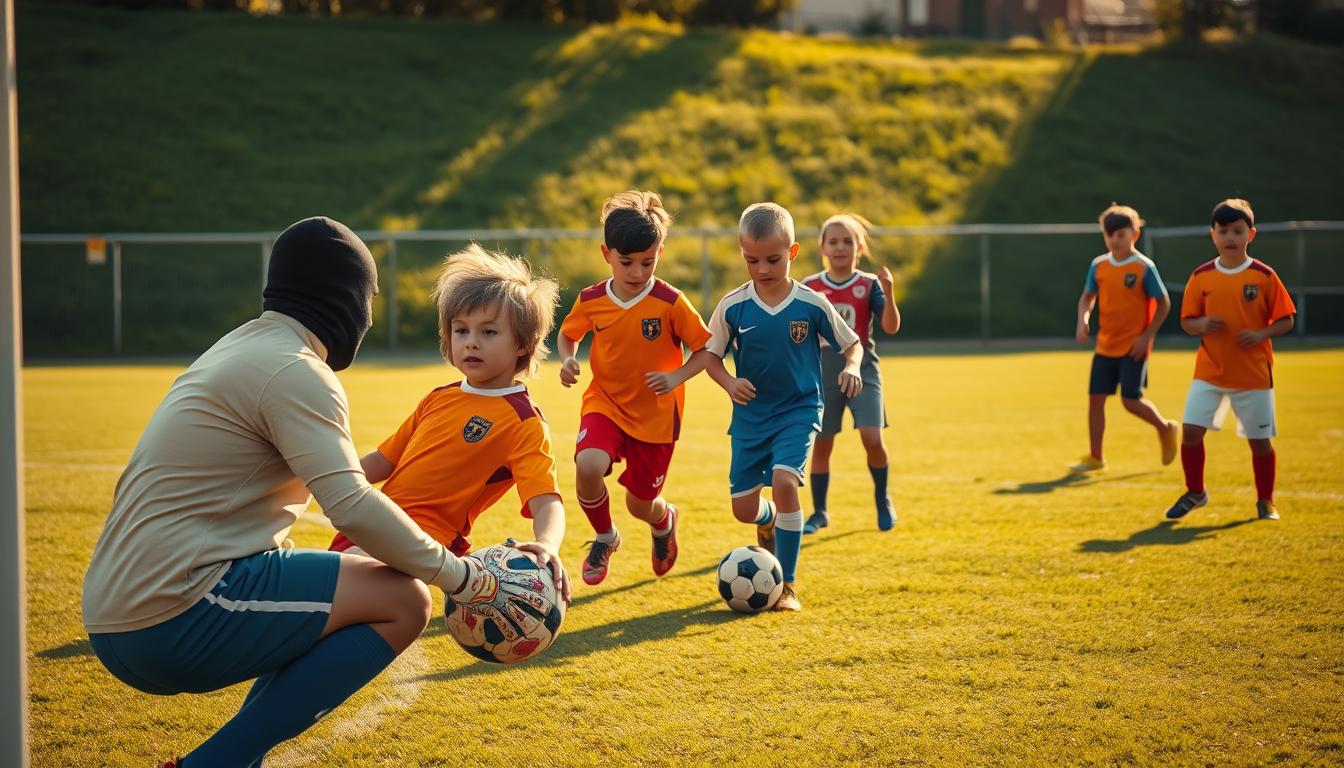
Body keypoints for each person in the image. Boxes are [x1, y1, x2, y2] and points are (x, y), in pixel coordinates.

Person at [80, 217, 556, 768]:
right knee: (404, 601)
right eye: (368, 300)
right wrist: (463, 576)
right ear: (347, 298)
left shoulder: (231, 349)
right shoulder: (296, 370)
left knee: (326, 596)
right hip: (175, 611)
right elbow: (350, 503)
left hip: (114, 612)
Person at [328, 244, 570, 595]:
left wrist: (547, 543)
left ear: (522, 344)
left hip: (425, 542)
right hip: (371, 522)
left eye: (488, 332)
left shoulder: (523, 420)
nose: (471, 342)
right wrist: (320, 477)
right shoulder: (439, 397)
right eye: (461, 331)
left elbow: (545, 497)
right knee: (320, 591)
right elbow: (383, 461)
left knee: (337, 589)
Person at [669, 202, 862, 612]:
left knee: (786, 481)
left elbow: (852, 343)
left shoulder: (811, 303)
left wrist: (853, 367)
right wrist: (729, 383)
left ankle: (786, 584)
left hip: (800, 409)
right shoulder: (733, 305)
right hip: (751, 418)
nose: (761, 268)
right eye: (751, 259)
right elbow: (709, 355)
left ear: (792, 253)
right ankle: (769, 517)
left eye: (772, 259)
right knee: (743, 510)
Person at [557, 190, 712, 585]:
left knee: (640, 504)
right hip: (605, 402)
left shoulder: (671, 302)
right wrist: (568, 358)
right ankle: (605, 537)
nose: (638, 272)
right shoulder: (591, 299)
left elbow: (707, 349)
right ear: (605, 253)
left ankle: (663, 521)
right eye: (626, 262)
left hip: (657, 417)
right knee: (587, 465)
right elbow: (568, 334)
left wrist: (676, 377)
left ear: (661, 249)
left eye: (648, 261)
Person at [1166, 199, 1296, 521]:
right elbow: (1187, 320)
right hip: (1209, 371)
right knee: (1192, 433)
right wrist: (1202, 325)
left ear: (1250, 234)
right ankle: (1196, 492)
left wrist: (1260, 334)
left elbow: (1286, 320)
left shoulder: (1264, 276)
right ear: (1212, 235)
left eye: (1237, 231)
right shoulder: (1201, 276)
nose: (1230, 238)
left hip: (1253, 374)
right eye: (1223, 231)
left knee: (1260, 443)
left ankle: (1266, 501)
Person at [800, 213, 901, 534]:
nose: (840, 247)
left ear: (859, 247)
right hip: (823, 371)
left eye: (848, 241)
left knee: (872, 438)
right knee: (823, 443)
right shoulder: (810, 286)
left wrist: (888, 290)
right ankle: (819, 513)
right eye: (833, 241)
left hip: (863, 367)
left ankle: (883, 499)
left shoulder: (868, 284)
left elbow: (891, 326)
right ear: (822, 247)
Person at [1072, 203, 1179, 472]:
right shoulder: (1099, 265)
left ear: (1135, 234)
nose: (1114, 240)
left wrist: (1146, 337)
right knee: (1096, 399)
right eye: (1109, 235)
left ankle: (1165, 428)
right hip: (1105, 345)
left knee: (1130, 401)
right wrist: (1083, 320)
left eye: (1120, 234)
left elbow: (1163, 303)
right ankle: (1096, 457)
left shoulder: (1143, 267)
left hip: (1134, 346)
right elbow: (1087, 298)